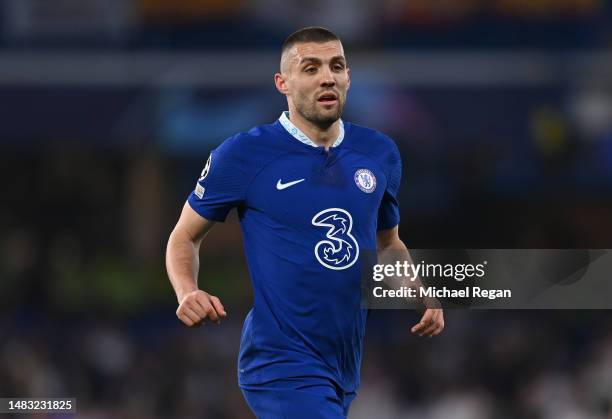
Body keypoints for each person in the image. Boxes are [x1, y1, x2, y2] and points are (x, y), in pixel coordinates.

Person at [166, 26, 444, 419]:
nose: (327, 76)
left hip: (343, 365)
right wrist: (186, 290)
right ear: (283, 83)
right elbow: (184, 236)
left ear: (349, 78)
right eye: (310, 68)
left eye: (337, 66)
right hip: (280, 364)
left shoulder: (380, 153)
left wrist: (418, 290)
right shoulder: (245, 154)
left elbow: (388, 244)